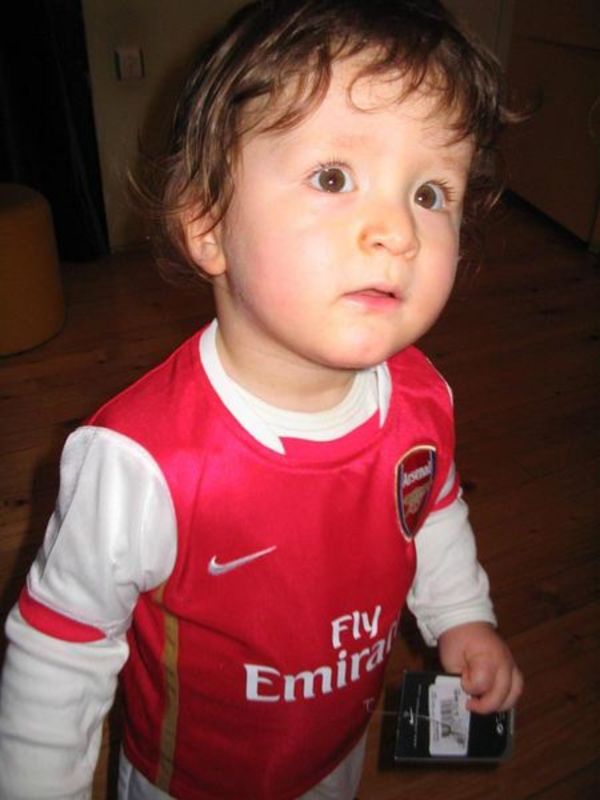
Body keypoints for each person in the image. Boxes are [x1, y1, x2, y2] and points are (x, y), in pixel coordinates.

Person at [0, 1, 523, 798]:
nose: (399, 231)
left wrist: (462, 614)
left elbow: (431, 508)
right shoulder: (142, 462)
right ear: (208, 225)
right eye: (333, 177)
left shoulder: (424, 399)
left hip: (335, 754)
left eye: (429, 192)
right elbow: (60, 651)